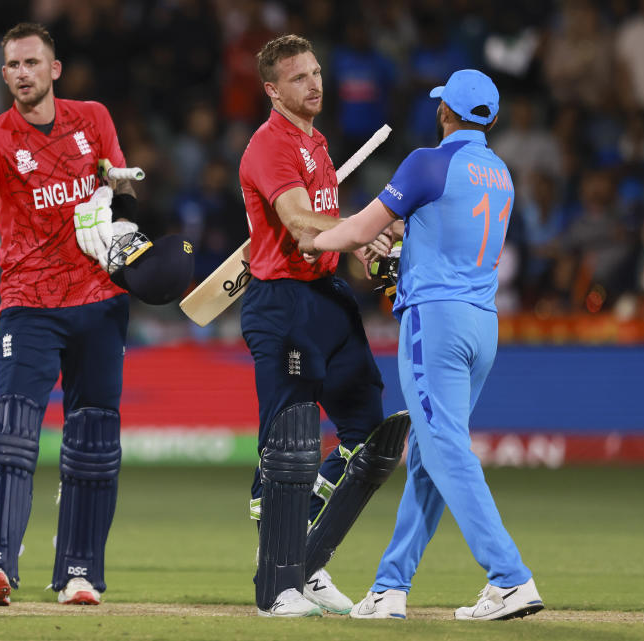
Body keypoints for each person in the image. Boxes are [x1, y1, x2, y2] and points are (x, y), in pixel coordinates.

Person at [299, 69, 544, 621]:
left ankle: (509, 577)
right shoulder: (501, 173)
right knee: (431, 457)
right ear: (493, 119)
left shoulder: (427, 162)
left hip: (434, 320)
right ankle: (390, 588)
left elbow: (360, 230)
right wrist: (403, 238)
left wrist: (311, 236)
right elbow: (447, 231)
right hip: (483, 325)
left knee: (445, 451)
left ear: (443, 112)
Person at [0, 22, 139, 607]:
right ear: (4, 74)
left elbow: (121, 182)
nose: (23, 73)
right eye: (13, 65)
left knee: (93, 440)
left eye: (32, 62)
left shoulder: (94, 119)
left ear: (54, 69)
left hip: (101, 301)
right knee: (10, 434)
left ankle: (80, 574)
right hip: (30, 304)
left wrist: (118, 184)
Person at [239, 34, 410, 618]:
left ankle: (305, 559)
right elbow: (300, 225)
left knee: (369, 434)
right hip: (282, 302)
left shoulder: (318, 142)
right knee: (291, 443)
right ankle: (276, 584)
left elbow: (328, 229)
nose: (314, 83)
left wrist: (359, 244)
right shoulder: (267, 146)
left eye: (315, 72)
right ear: (272, 89)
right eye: (297, 77)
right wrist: (366, 226)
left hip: (327, 297)